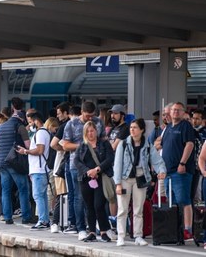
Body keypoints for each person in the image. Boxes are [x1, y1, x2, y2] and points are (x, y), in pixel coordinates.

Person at [113, 118, 167, 247]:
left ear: (142, 130)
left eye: (135, 127)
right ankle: (121, 236)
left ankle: (138, 235)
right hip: (125, 178)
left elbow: (157, 160)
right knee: (122, 209)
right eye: (131, 127)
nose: (132, 130)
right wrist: (118, 183)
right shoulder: (123, 144)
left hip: (141, 177)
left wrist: (162, 171)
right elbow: (117, 164)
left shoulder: (147, 145)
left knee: (138, 209)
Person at [62, 101, 106, 240]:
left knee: (97, 201)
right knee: (80, 198)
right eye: (87, 116)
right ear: (82, 112)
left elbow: (104, 141)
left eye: (92, 116)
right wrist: (83, 146)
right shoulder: (72, 124)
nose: (90, 119)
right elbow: (65, 145)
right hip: (78, 166)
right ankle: (80, 227)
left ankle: (94, 228)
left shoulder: (98, 122)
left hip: (97, 168)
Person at [160, 102, 196, 240]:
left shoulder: (185, 126)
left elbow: (190, 144)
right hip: (168, 171)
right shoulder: (168, 127)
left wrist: (183, 162)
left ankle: (187, 229)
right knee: (172, 201)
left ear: (183, 112)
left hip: (180, 170)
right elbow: (160, 144)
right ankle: (175, 229)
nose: (175, 112)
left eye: (178, 110)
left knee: (184, 199)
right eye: (173, 110)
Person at [74, 121, 114, 242]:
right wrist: (88, 171)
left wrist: (97, 169)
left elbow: (109, 159)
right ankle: (91, 232)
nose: (90, 133)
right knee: (89, 206)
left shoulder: (104, 144)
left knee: (99, 205)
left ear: (96, 131)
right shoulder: (82, 146)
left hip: (101, 178)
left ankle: (103, 231)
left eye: (92, 131)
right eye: (88, 131)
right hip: (86, 179)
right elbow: (76, 161)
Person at [0, 97, 32, 225]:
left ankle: (7, 217)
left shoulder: (0, 128)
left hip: (1, 162)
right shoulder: (20, 127)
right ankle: (26, 217)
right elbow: (28, 146)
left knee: (6, 190)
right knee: (23, 188)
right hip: (14, 162)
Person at [50, 102, 71, 233]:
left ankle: (57, 222)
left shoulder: (64, 126)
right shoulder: (65, 126)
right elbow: (53, 144)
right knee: (65, 195)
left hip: (61, 165)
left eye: (59, 114)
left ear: (65, 112)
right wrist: (65, 150)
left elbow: (53, 144)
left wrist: (62, 149)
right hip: (63, 165)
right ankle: (58, 222)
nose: (58, 117)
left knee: (61, 195)